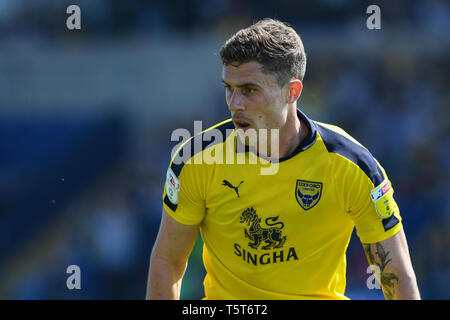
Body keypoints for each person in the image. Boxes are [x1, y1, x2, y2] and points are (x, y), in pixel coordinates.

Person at [146, 18, 421, 300]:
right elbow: (169, 259)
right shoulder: (197, 159)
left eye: (250, 90)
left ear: (292, 92)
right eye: (229, 88)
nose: (234, 104)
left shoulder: (352, 166)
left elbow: (396, 274)